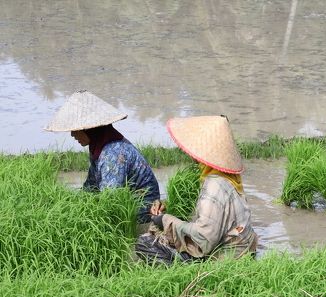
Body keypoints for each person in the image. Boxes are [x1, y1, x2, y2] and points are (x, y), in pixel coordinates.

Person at [137, 115, 258, 265]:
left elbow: (204, 240)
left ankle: (186, 274)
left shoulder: (214, 186)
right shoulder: (228, 178)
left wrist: (165, 220)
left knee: (145, 243)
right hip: (242, 250)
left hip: (225, 259)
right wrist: (166, 209)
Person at [44, 90, 160, 223]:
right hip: (126, 202)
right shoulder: (98, 147)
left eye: (75, 130)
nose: (72, 135)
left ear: (89, 129)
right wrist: (71, 205)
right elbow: (91, 186)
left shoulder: (113, 154)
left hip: (142, 210)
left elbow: (110, 201)